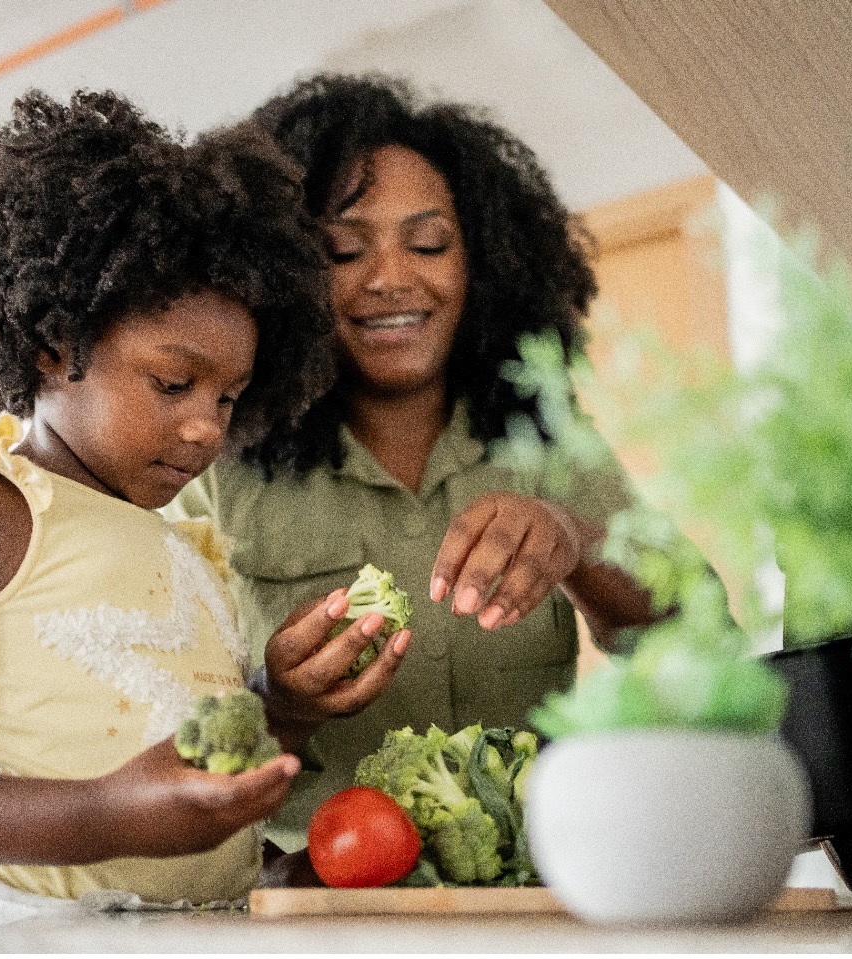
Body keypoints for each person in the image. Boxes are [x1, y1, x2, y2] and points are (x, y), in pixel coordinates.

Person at [0, 89, 409, 927]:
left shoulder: (192, 548)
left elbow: (197, 781)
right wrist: (99, 813)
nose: (207, 427)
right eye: (173, 382)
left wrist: (284, 703)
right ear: (57, 346)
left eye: (231, 398)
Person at [168, 74, 666, 860]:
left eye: (428, 243)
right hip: (306, 897)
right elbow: (154, 742)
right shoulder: (211, 460)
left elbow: (695, 625)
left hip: (531, 892)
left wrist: (574, 539)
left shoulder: (546, 435)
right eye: (343, 250)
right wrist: (281, 706)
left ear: (484, 263)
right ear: (284, 274)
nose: (392, 278)